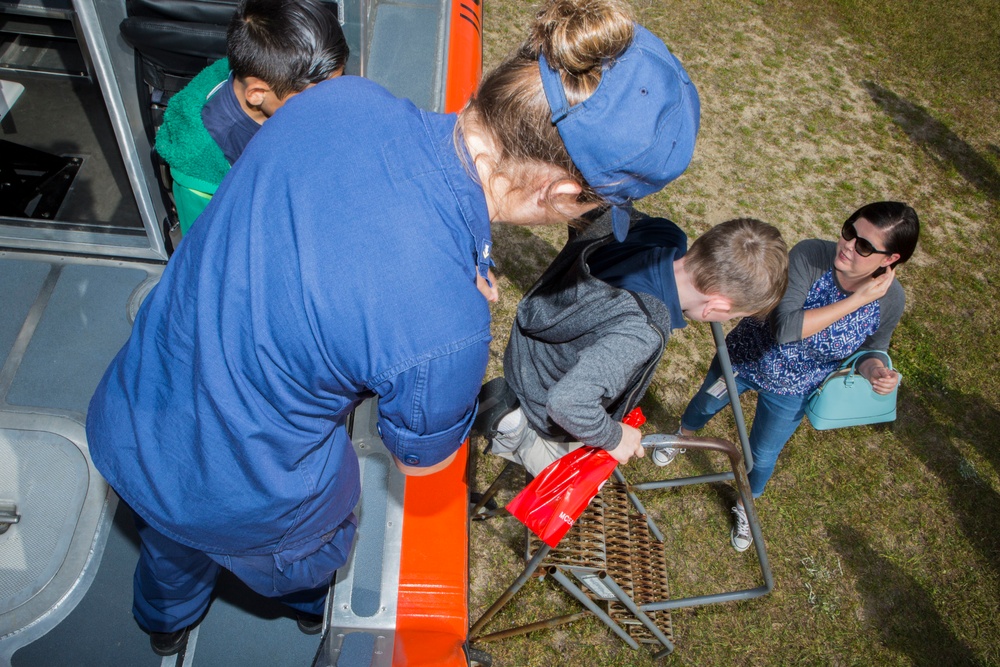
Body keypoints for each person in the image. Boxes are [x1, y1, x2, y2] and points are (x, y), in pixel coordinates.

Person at [85, 0, 700, 657]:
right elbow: (419, 453)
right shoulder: (450, 323)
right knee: (317, 549)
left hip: (133, 404)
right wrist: (466, 320)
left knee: (167, 539)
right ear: (562, 194)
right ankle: (302, 608)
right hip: (241, 486)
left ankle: (162, 619)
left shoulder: (339, 99)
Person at [678, 201, 920, 552]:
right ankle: (682, 436)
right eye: (849, 230)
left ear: (890, 259)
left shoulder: (890, 300)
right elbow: (785, 329)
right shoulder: (810, 255)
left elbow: (871, 348)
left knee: (762, 454)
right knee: (705, 402)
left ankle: (746, 502)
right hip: (745, 358)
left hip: (794, 386)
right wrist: (856, 301)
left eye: (864, 245)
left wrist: (876, 370)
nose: (848, 245)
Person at [479, 210, 788, 476]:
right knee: (572, 480)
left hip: (535, 341)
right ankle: (515, 429)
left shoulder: (662, 232)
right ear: (716, 307)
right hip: (541, 395)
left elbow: (591, 213)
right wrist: (614, 437)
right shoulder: (640, 331)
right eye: (732, 315)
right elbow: (568, 403)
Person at [154, 0, 349, 190]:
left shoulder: (268, 83)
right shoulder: (224, 149)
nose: (327, 103)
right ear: (257, 94)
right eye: (312, 99)